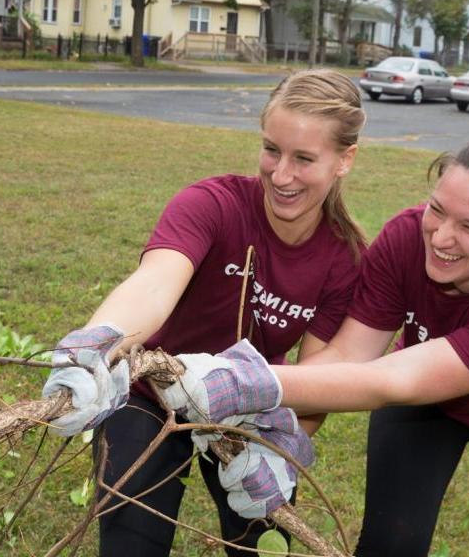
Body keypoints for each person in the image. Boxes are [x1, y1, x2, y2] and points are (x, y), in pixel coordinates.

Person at [160, 135, 469, 556]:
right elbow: (349, 356)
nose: (441, 238)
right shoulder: (406, 237)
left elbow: (396, 379)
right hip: (426, 409)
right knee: (392, 546)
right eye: (438, 210)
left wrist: (241, 381)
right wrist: (272, 432)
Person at [41, 69, 369, 556]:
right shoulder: (212, 204)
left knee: (261, 545)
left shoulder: (344, 259)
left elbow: (316, 378)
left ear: (345, 159)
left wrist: (284, 445)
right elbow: (154, 282)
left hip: (248, 414)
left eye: (304, 159)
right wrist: (100, 340)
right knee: (133, 540)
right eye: (271, 150)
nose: (281, 175)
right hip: (150, 392)